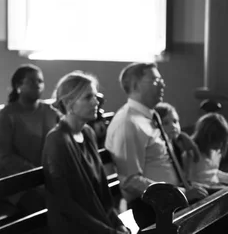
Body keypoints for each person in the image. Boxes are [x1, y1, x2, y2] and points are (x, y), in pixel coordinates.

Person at [105, 62, 208, 230]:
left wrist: (181, 136)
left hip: (171, 199)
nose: (162, 83)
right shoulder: (128, 122)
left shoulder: (149, 116)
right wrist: (178, 193)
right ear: (136, 85)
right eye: (155, 80)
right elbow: (130, 181)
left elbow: (158, 153)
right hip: (153, 207)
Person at [42, 71, 130, 234]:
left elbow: (103, 193)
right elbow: (66, 204)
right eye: (88, 97)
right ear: (69, 103)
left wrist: (118, 224)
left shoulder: (88, 133)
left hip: (98, 224)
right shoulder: (57, 140)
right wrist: (108, 231)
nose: (96, 102)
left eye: (96, 96)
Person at [0, 64, 59, 177]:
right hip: (18, 180)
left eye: (40, 81)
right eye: (32, 81)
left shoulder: (51, 112)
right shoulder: (6, 115)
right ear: (18, 85)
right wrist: (35, 173)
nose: (37, 85)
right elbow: (4, 156)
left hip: (49, 176)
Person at [183, 113, 228, 188]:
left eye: (222, 141)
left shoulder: (216, 151)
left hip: (217, 187)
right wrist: (212, 188)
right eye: (217, 140)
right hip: (203, 191)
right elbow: (189, 182)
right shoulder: (191, 153)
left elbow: (213, 172)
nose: (220, 145)